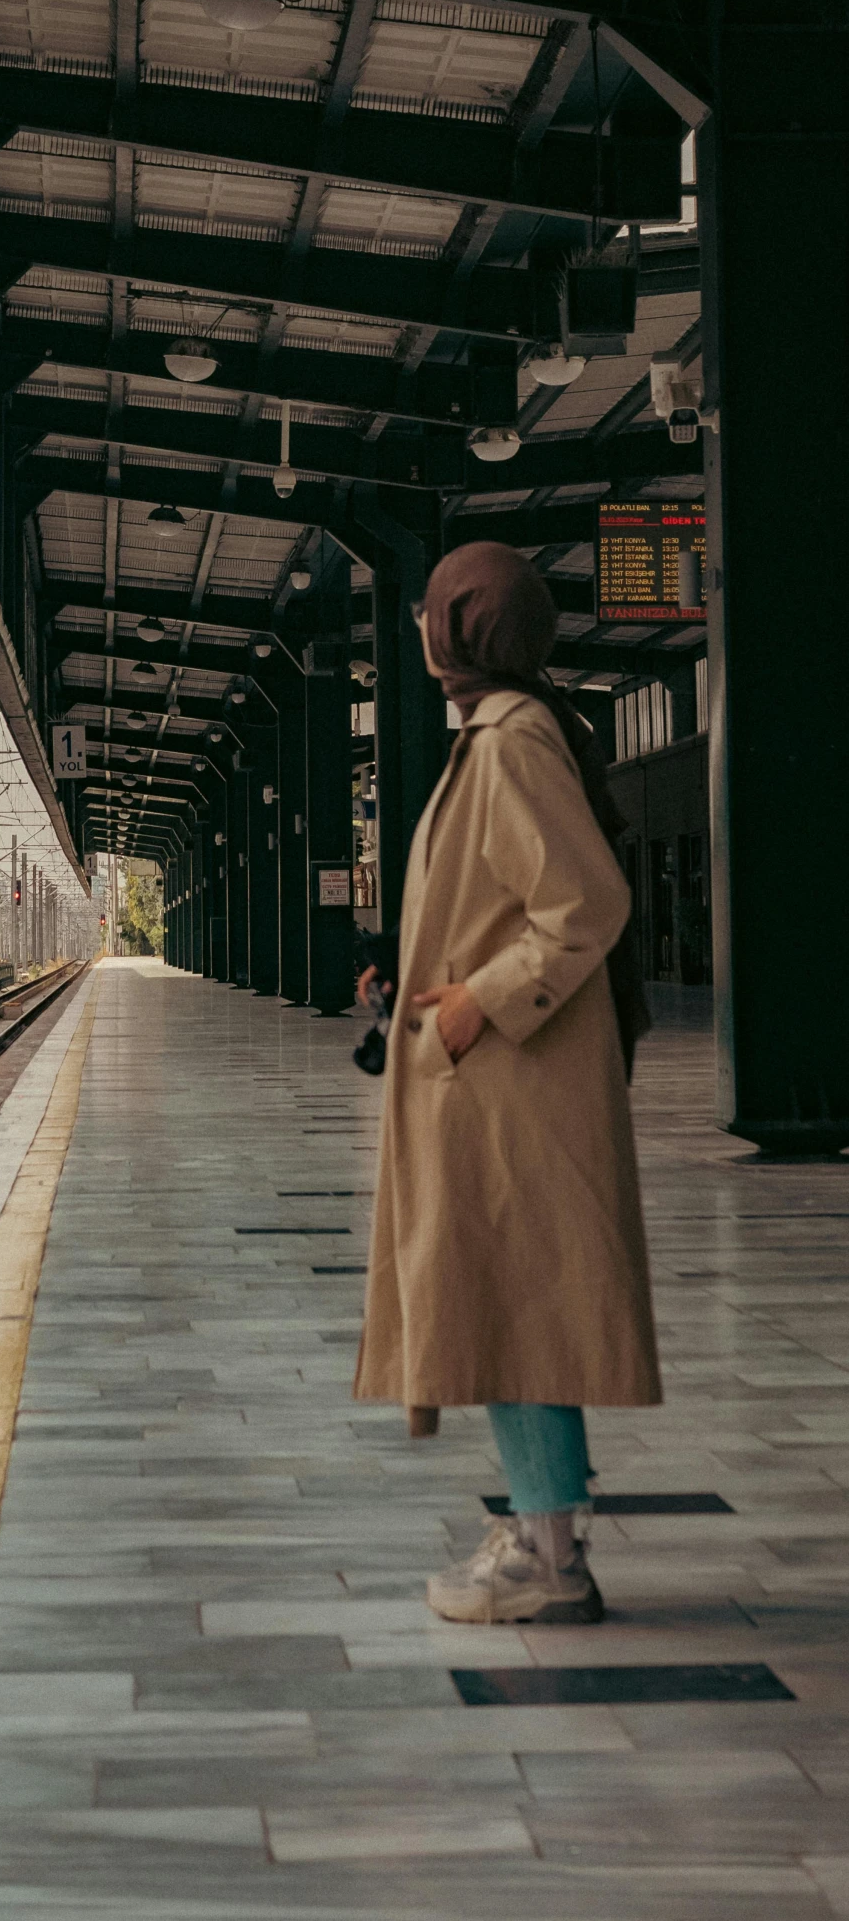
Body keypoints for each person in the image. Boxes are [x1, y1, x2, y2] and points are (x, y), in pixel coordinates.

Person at [353, 540, 661, 1624]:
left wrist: (482, 999)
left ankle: (547, 1559)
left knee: (514, 1311)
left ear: (461, 628)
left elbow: (582, 903)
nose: (417, 628)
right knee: (504, 1310)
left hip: (510, 1085)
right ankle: (540, 1533)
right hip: (491, 1081)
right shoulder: (499, 734)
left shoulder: (511, 740)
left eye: (432, 609)